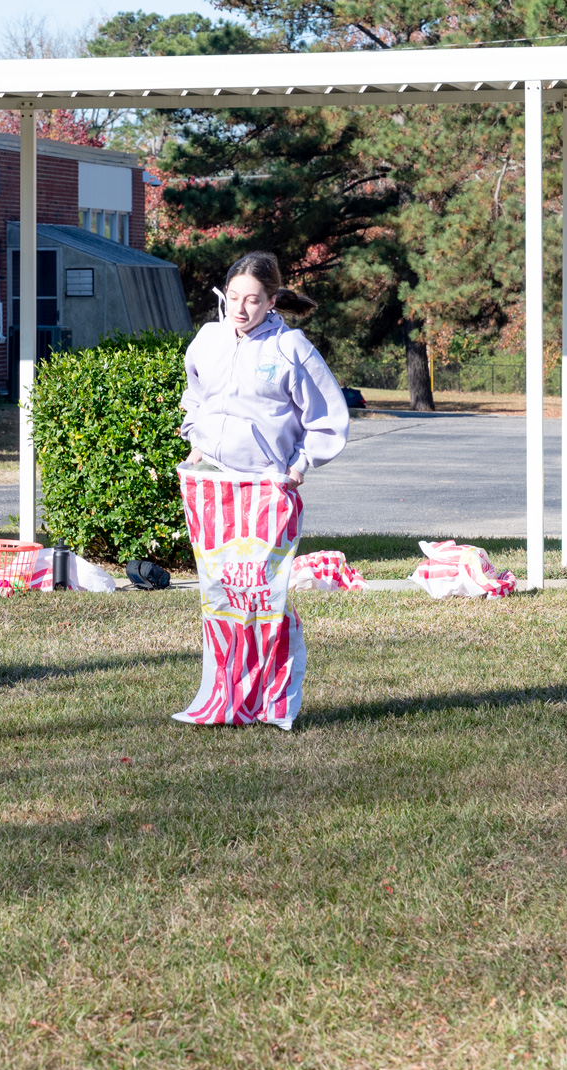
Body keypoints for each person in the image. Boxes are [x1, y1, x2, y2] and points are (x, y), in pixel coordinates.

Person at [171, 251, 350, 729]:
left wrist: (298, 468)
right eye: (233, 297)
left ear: (272, 301)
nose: (241, 309)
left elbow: (328, 419)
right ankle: (222, 697)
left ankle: (273, 702)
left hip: (267, 492)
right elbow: (194, 393)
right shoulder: (207, 340)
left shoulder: (291, 349)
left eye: (253, 300)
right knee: (219, 595)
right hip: (213, 488)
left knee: (262, 597)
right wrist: (194, 438)